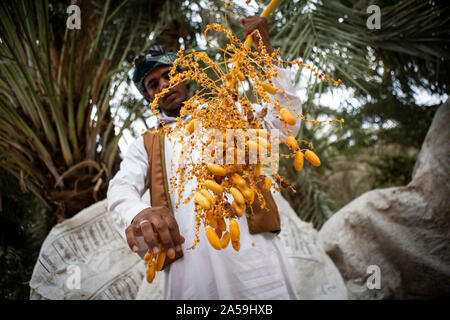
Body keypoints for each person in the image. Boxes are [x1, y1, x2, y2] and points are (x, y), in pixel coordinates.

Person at [107, 16, 302, 299]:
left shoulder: (227, 110)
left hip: (254, 256)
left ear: (184, 76)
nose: (164, 84)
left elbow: (285, 123)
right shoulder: (146, 144)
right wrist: (138, 213)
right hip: (191, 267)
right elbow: (121, 187)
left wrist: (266, 56)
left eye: (169, 74)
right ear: (149, 96)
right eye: (152, 84)